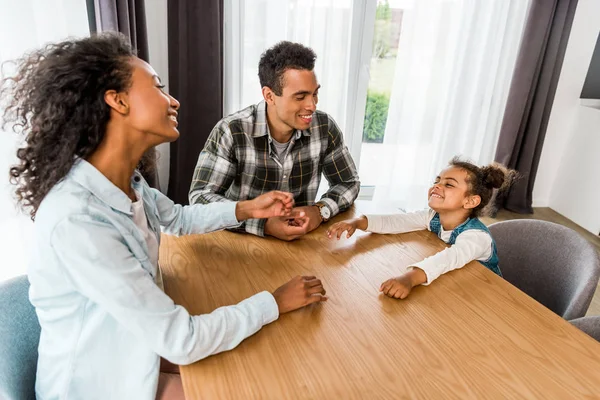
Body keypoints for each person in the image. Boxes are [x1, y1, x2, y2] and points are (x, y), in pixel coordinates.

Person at [1, 33, 327, 400]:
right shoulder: (78, 220)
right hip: (98, 385)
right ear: (117, 101)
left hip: (133, 348)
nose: (173, 100)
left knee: (262, 367)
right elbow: (181, 340)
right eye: (157, 88)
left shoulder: (125, 183)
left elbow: (180, 218)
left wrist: (248, 208)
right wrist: (274, 301)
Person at [189, 41, 360, 241]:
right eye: (300, 97)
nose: (312, 105)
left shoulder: (324, 127)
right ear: (269, 96)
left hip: (301, 243)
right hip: (238, 244)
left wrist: (320, 210)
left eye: (315, 94)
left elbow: (348, 182)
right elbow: (200, 199)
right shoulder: (232, 131)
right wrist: (263, 225)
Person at [327, 157, 515, 300]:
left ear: (471, 201)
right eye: (437, 181)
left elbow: (449, 258)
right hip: (456, 286)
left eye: (448, 184)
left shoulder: (476, 236)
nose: (437, 186)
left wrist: (409, 278)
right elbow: (399, 222)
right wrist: (358, 223)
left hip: (483, 294)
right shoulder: (432, 217)